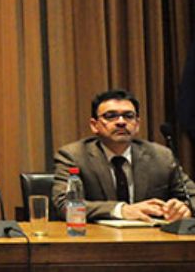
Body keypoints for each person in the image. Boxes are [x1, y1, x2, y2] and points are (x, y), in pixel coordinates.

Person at [52, 89, 194, 222]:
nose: (121, 122)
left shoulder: (162, 156)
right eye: (111, 116)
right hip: (97, 241)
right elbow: (65, 205)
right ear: (94, 125)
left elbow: (192, 196)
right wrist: (121, 210)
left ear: (137, 124)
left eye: (128, 116)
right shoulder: (73, 156)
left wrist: (185, 208)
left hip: (152, 240)